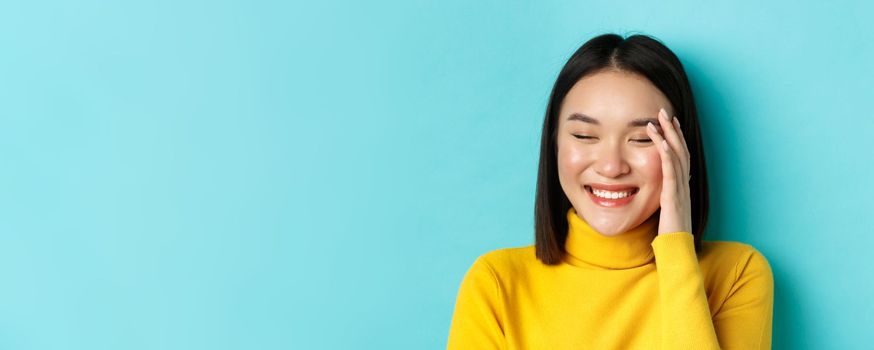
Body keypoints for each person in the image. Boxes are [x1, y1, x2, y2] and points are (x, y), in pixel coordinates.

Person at [446, 33, 774, 349]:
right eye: (585, 136)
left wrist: (676, 250)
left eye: (643, 138)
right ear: (554, 144)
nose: (611, 166)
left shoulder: (737, 275)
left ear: (681, 149)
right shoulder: (496, 284)